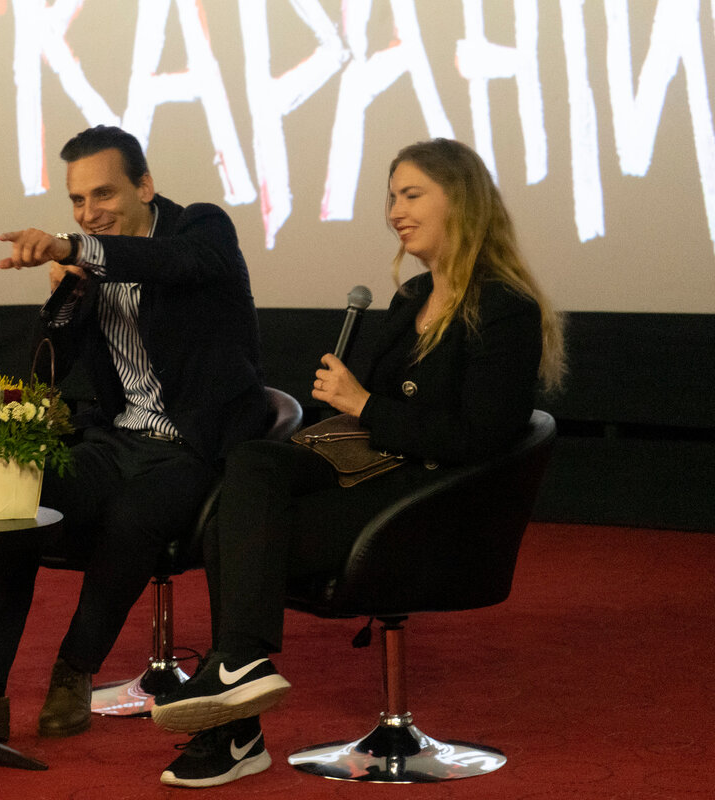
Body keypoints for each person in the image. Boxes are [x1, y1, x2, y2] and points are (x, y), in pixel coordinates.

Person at [147, 138, 567, 787]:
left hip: (431, 504)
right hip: (372, 479)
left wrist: (364, 400)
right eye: (391, 196)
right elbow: (362, 421)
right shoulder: (413, 297)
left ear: (463, 202)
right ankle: (240, 677)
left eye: (412, 194)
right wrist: (353, 403)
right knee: (251, 469)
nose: (395, 210)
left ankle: (235, 727)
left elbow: (478, 438)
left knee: (246, 534)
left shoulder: (504, 309)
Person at [0, 125, 270, 741]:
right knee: (16, 496)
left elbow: (173, 265)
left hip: (193, 444)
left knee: (133, 515)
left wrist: (76, 249)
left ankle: (75, 670)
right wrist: (68, 296)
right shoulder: (90, 259)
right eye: (76, 201)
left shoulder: (200, 229)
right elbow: (56, 361)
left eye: (104, 195)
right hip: (116, 437)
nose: (90, 213)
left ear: (145, 186)